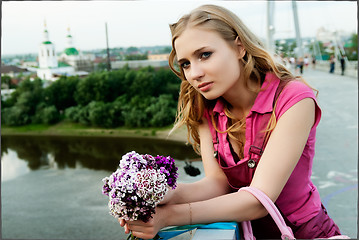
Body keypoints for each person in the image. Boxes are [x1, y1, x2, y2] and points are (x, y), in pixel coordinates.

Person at [119, 5, 342, 239]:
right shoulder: (205, 107)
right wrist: (162, 194)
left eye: (204, 55)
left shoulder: (293, 99)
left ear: (239, 47)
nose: (194, 73)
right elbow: (218, 184)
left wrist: (169, 216)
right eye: (185, 63)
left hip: (305, 233)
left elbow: (259, 200)